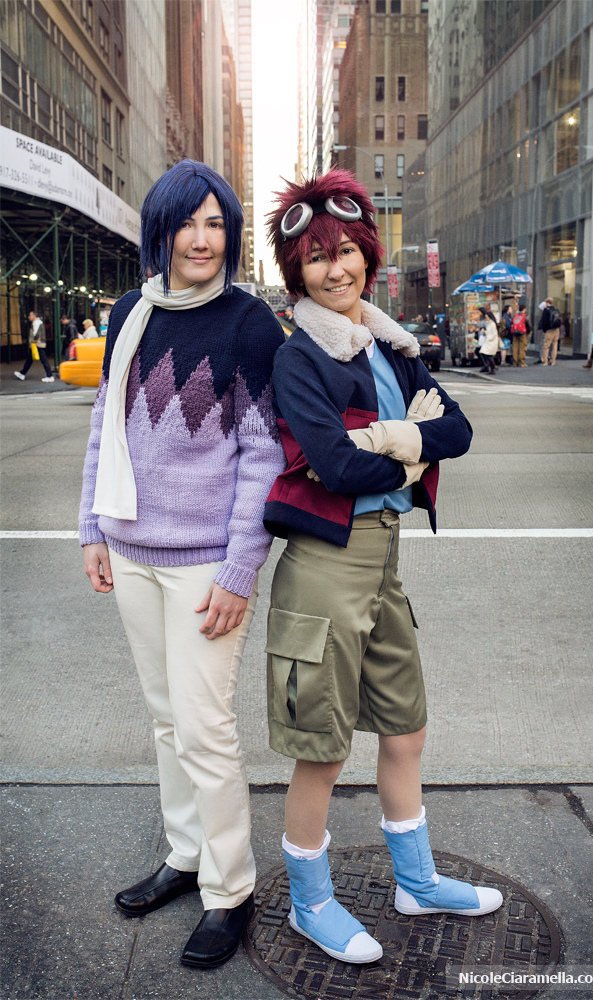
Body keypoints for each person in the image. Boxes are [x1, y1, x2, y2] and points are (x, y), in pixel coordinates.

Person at [262, 169, 503, 964]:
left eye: (344, 251)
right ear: (296, 271)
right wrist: (410, 449)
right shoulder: (300, 358)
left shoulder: (391, 348)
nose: (334, 269)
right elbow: (333, 466)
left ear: (367, 253)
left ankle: (416, 881)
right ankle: (310, 902)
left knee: (405, 728)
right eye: (314, 258)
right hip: (323, 569)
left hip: (383, 563)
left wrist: (395, 441)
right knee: (323, 747)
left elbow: (458, 429)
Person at [78, 159, 286, 969]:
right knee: (166, 719)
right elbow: (105, 429)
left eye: (216, 223)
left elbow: (262, 458)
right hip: (131, 552)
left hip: (204, 563)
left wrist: (239, 570)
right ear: (159, 231)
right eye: (187, 222)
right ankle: (187, 852)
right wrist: (92, 528)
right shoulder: (130, 312)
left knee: (204, 728)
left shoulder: (249, 324)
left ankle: (230, 890)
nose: (202, 239)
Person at [14, 310, 54, 382]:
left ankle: (50, 376)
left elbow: (36, 335)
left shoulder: (36, 323)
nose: (29, 317)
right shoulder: (38, 322)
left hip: (38, 344)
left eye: (30, 315)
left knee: (43, 359)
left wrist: (33, 342)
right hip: (39, 343)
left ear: (34, 316)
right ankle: (22, 373)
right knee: (30, 359)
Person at [537, 297, 561, 365]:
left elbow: (544, 321)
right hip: (556, 330)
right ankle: (553, 361)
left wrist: (544, 330)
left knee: (546, 346)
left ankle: (545, 361)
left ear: (547, 302)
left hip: (549, 331)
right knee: (554, 346)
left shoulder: (546, 310)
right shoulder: (556, 309)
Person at [478, 306, 500, 374]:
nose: (486, 318)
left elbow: (494, 333)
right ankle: (492, 368)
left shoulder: (492, 324)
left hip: (491, 341)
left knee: (488, 355)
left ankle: (493, 367)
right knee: (486, 354)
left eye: (487, 317)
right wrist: (485, 332)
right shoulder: (489, 323)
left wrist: (489, 337)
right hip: (489, 341)